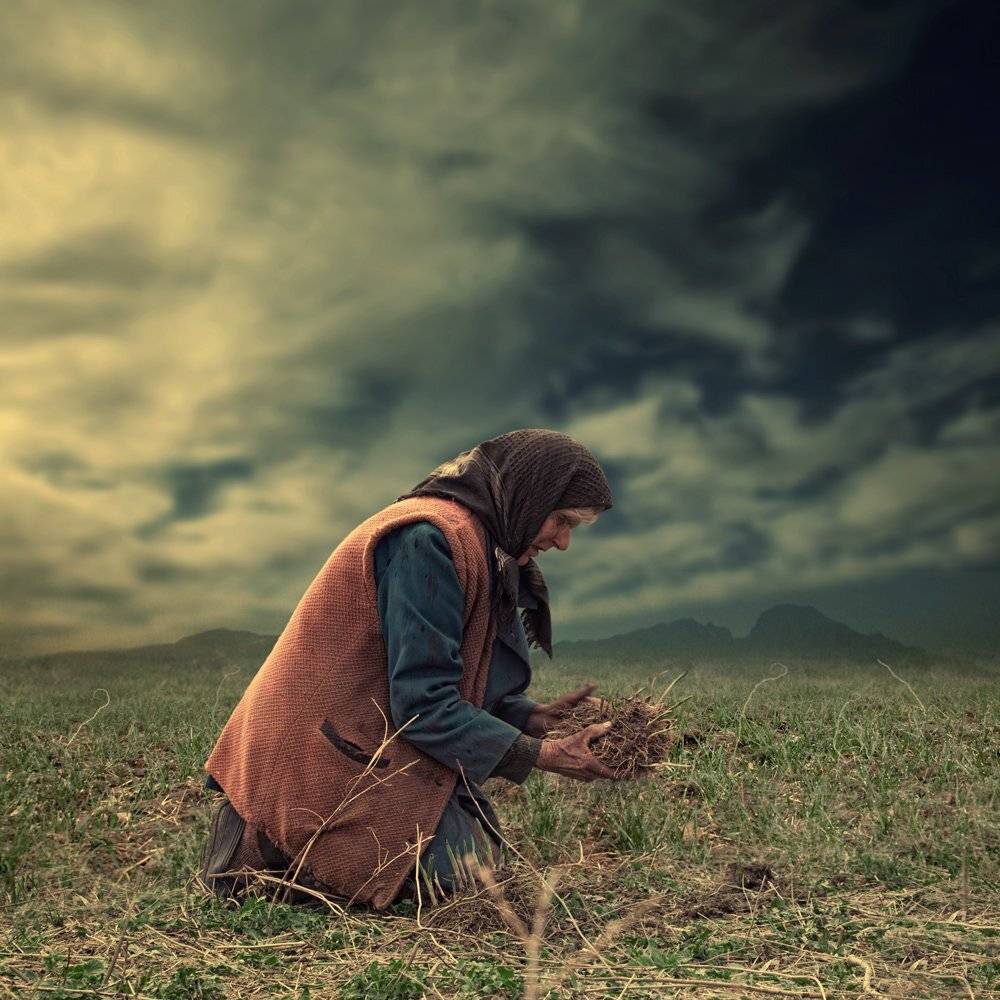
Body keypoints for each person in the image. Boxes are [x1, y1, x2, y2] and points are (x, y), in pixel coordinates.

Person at [199, 428, 625, 910]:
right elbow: (424, 703)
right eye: (562, 520)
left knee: (478, 869)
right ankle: (265, 848)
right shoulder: (429, 539)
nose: (564, 543)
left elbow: (453, 685)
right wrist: (543, 755)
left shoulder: (482, 547)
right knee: (453, 884)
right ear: (531, 495)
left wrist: (533, 718)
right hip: (318, 757)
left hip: (371, 743)